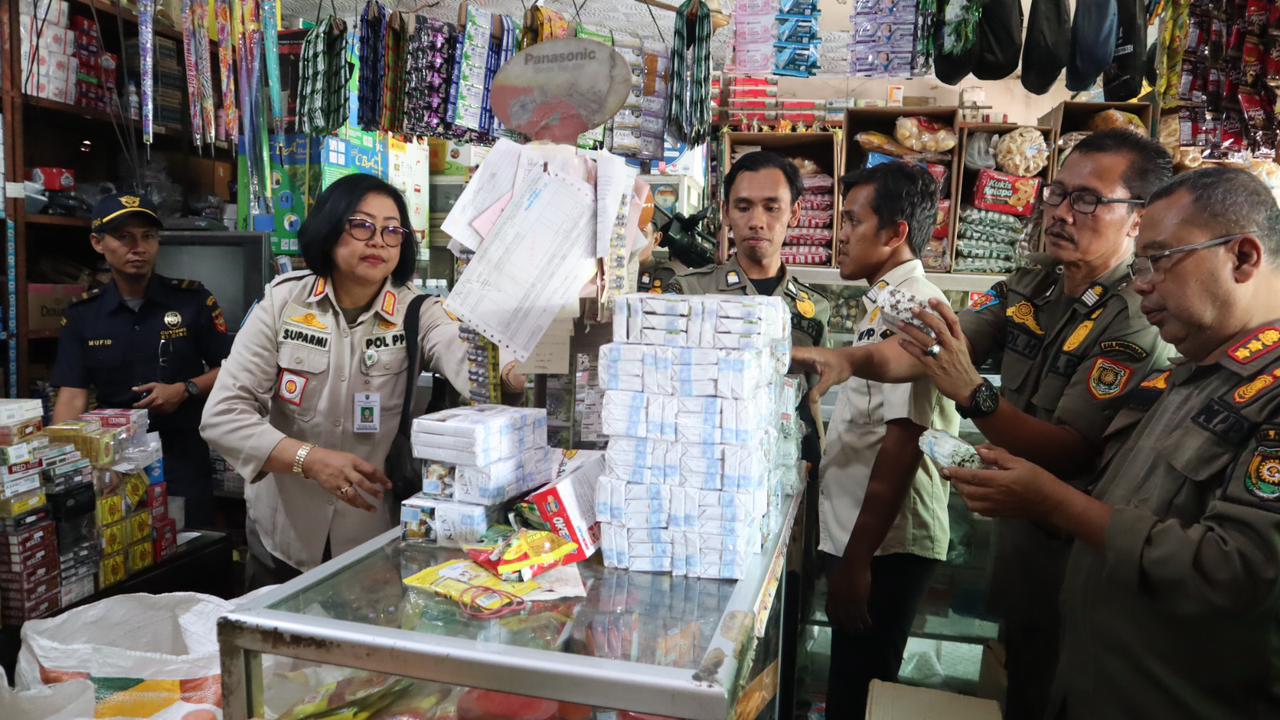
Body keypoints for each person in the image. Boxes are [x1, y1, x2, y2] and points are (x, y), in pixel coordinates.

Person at [793, 130, 1174, 720]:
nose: (1063, 213)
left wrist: (976, 397)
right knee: (1021, 685)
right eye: (1058, 193)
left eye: (1089, 200)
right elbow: (927, 347)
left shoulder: (1134, 321)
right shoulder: (1034, 282)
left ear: (1139, 220)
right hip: (1024, 546)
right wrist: (846, 360)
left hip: (1080, 556)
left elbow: (1071, 452)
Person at [946, 166, 1280, 719]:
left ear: (1242, 257)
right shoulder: (1184, 376)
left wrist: (1048, 499)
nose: (1143, 281)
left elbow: (1234, 569)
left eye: (1161, 259)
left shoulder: (1265, 394)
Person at [202, 174, 494, 588]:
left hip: (372, 539)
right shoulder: (283, 302)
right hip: (283, 534)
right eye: (362, 225)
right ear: (329, 227)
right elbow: (221, 417)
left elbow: (478, 371)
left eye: (392, 230)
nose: (378, 240)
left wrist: (518, 356)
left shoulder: (419, 312)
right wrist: (310, 460)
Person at [818, 162, 958, 717]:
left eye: (854, 220)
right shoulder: (885, 299)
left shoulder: (914, 305)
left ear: (896, 232)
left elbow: (903, 442)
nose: (841, 233)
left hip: (884, 549)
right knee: (850, 688)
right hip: (866, 542)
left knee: (861, 695)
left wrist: (857, 561)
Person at [52, 192, 231, 527]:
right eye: (124, 237)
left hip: (182, 460)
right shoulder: (83, 317)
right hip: (113, 463)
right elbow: (72, 395)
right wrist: (59, 462)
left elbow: (234, 369)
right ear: (97, 243)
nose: (139, 247)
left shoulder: (193, 301)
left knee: (189, 555)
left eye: (148, 236)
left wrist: (185, 389)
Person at [665, 150, 831, 461]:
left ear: (794, 214)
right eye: (743, 207)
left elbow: (813, 399)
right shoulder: (691, 292)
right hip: (710, 462)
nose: (756, 222)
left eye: (772, 208)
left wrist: (815, 462)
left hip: (789, 465)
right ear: (726, 213)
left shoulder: (815, 308)